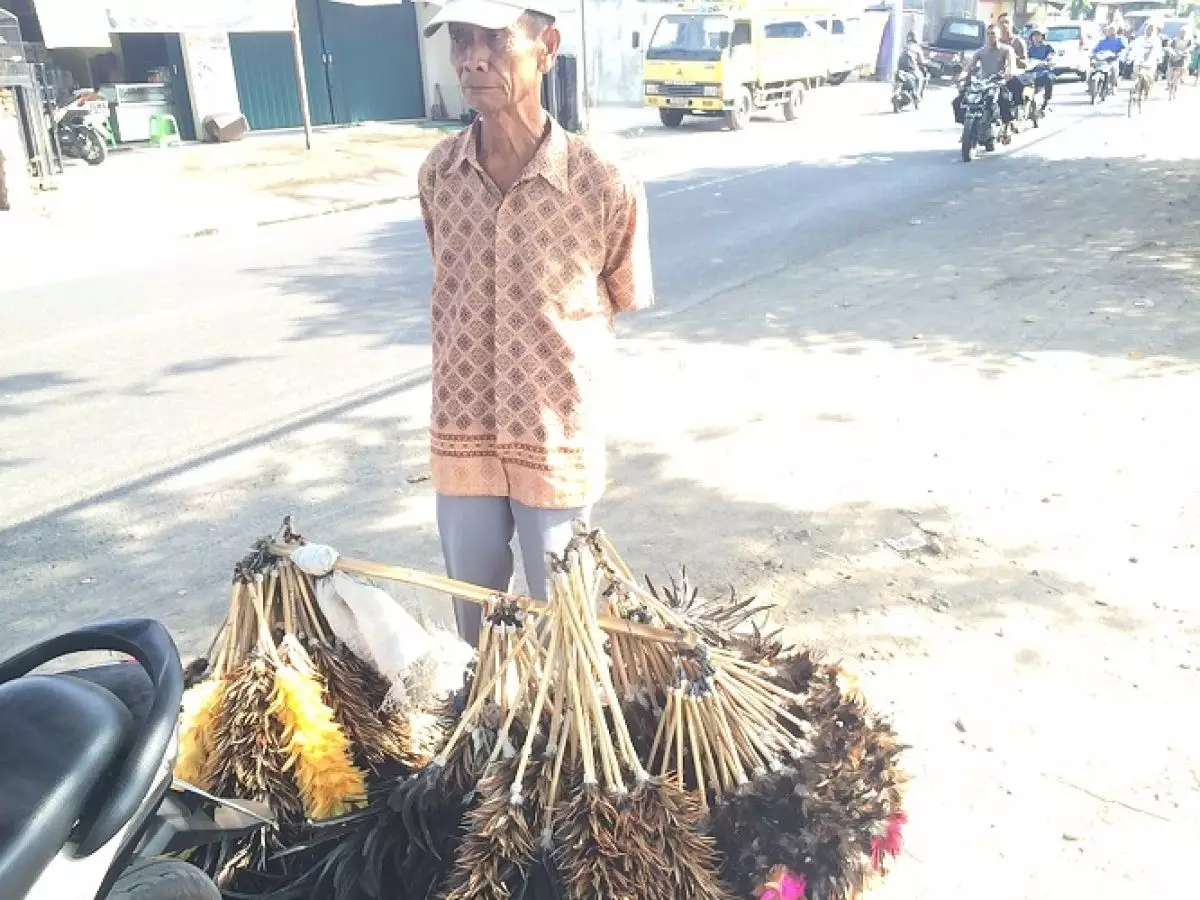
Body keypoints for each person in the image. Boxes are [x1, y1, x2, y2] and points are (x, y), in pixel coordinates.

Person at [417, 0, 654, 648]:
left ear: (546, 47)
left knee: (568, 633)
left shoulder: (603, 182)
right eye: (460, 41)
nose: (471, 58)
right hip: (464, 437)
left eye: (494, 39)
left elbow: (619, 293)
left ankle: (564, 743)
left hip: (554, 440)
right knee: (477, 634)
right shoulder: (439, 175)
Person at [953, 25, 1017, 126]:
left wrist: (1008, 74)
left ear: (999, 36)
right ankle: (967, 128)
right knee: (959, 101)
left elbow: (1010, 65)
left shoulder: (1006, 50)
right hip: (982, 83)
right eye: (988, 34)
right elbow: (969, 67)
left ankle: (1007, 126)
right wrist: (961, 76)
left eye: (993, 34)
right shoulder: (980, 51)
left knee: (1004, 100)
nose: (990, 36)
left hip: (998, 82)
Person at [1026, 29, 1056, 111]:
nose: (1036, 37)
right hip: (1031, 72)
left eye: (1038, 35)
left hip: (1044, 71)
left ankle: (1046, 100)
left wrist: (1049, 60)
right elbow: (1025, 59)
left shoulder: (1047, 47)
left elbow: (1051, 56)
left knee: (1049, 78)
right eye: (1034, 35)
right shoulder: (1029, 49)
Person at [898, 31, 928, 100]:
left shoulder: (905, 46)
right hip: (910, 67)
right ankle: (916, 94)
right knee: (920, 77)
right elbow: (921, 61)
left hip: (900, 68)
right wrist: (926, 62)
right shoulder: (917, 47)